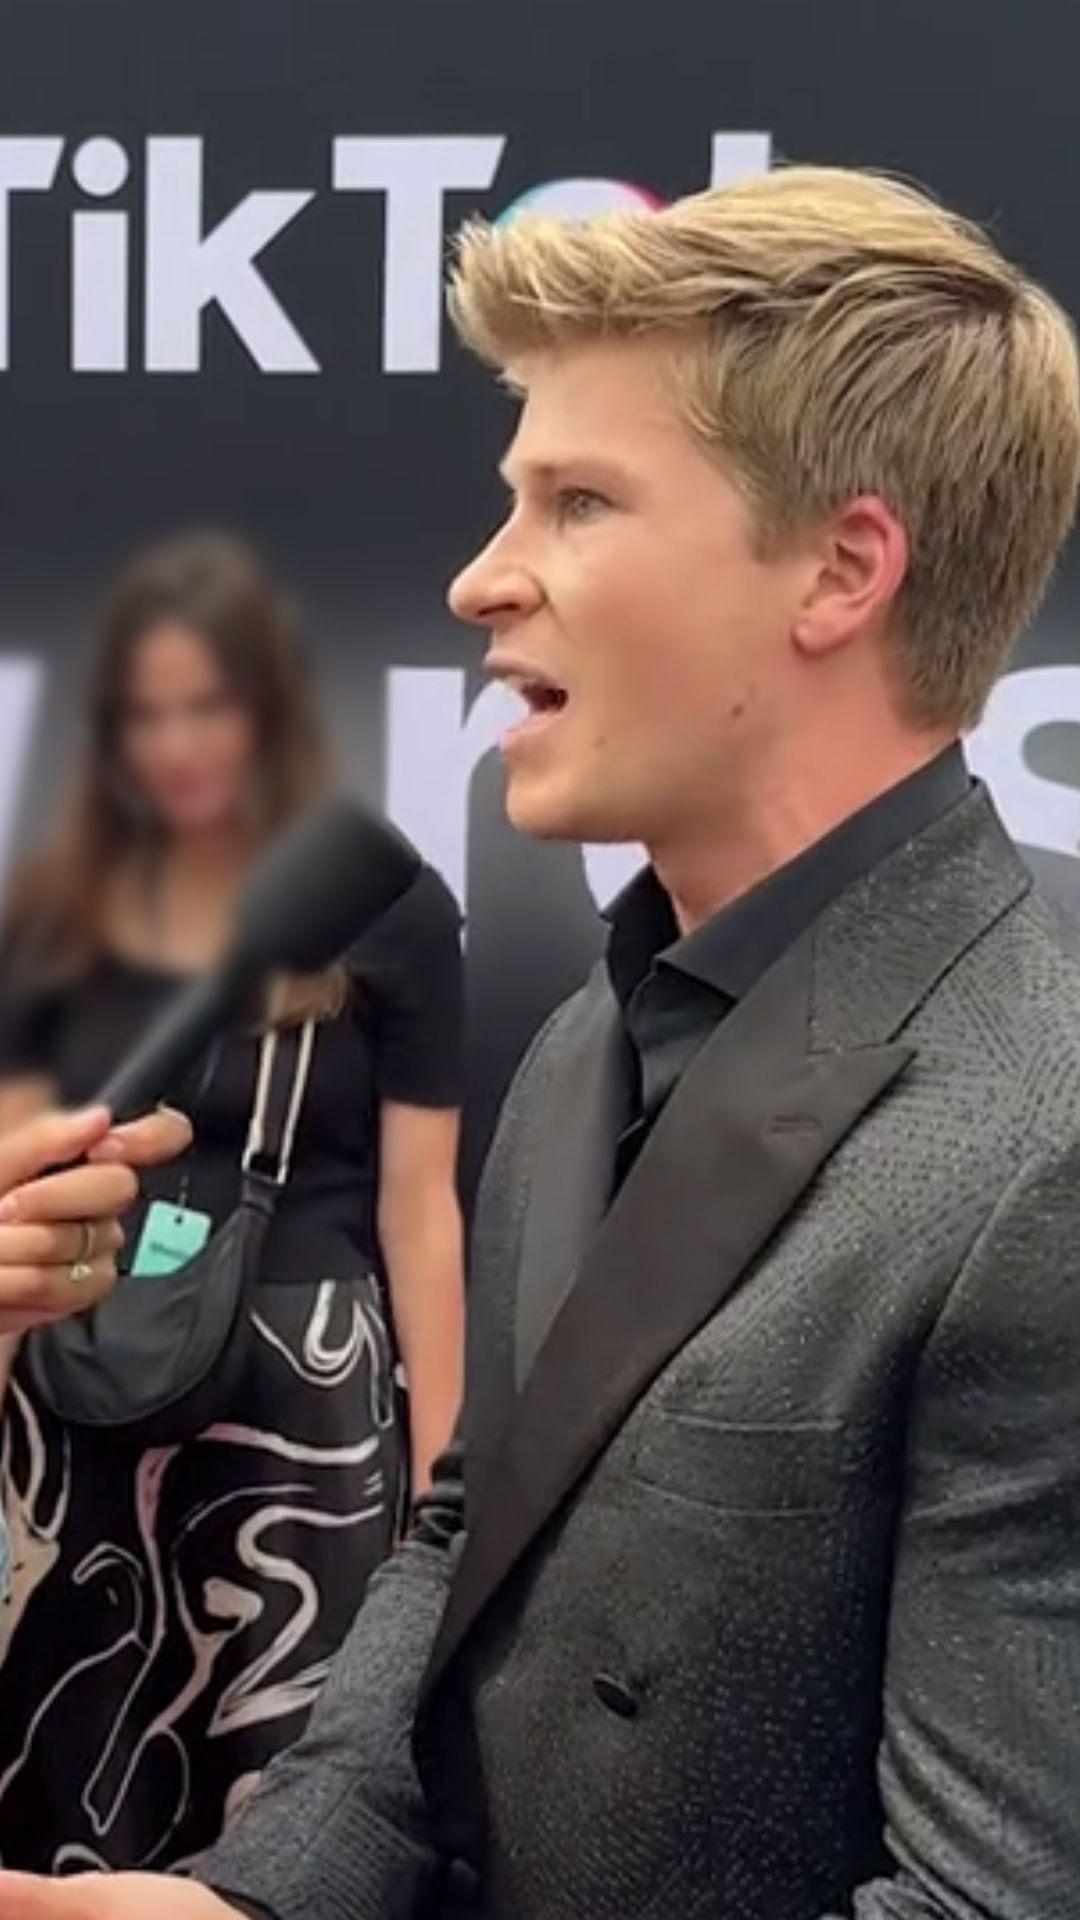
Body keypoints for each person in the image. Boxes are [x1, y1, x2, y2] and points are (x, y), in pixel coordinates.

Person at [2, 161, 1080, 1920]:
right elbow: (465, 1540)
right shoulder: (594, 1038)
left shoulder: (1049, 1141)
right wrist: (259, 1899)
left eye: (577, 502)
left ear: (841, 569)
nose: (478, 582)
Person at [0, 532, 465, 1873]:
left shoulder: (390, 913)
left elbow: (423, 1213)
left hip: (299, 1410)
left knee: (292, 1797)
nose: (178, 743)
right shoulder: (56, 916)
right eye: (145, 713)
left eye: (207, 704)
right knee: (75, 1749)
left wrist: (451, 1509)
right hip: (79, 1389)